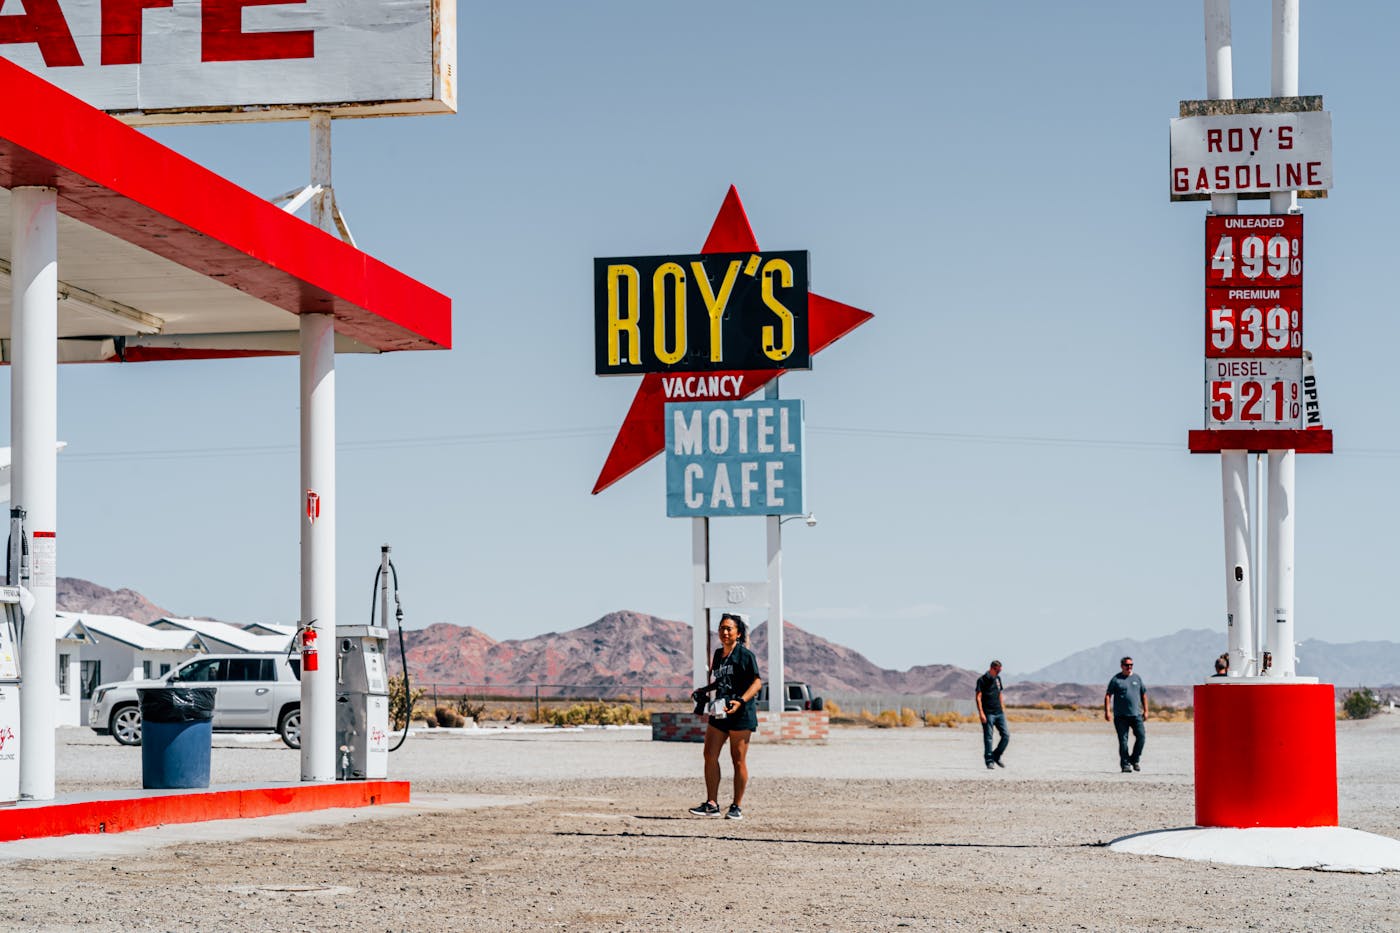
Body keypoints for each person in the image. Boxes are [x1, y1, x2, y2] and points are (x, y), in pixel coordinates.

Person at [688, 613, 762, 821]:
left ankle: (736, 806)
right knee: (709, 755)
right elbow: (720, 680)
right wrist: (705, 689)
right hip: (720, 711)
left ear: (738, 633)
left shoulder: (746, 656)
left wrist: (741, 700)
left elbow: (756, 683)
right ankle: (711, 803)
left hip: (741, 713)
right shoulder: (719, 654)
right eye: (722, 628)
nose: (725, 632)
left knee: (738, 760)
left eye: (729, 628)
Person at [1104, 656, 1148, 773]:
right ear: (1122, 666)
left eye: (1131, 665)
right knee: (1123, 740)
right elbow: (1108, 695)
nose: (1129, 667)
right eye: (1127, 665)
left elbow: (1143, 694)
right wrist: (1107, 711)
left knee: (1141, 737)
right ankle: (1125, 764)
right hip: (1120, 716)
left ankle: (1134, 759)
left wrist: (1146, 710)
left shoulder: (1137, 678)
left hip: (1136, 715)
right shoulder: (1116, 679)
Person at [975, 660, 1008, 769]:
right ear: (993, 668)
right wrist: (981, 713)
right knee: (988, 737)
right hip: (988, 713)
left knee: (1006, 735)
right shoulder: (982, 680)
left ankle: (996, 756)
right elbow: (978, 697)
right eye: (998, 670)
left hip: (999, 713)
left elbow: (999, 693)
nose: (999, 672)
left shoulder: (998, 679)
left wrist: (1002, 706)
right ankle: (989, 760)